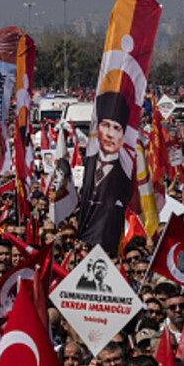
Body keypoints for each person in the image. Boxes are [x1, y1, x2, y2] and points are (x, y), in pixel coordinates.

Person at [78, 90, 133, 252]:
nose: (109, 134)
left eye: (116, 128)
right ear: (97, 129)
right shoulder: (88, 165)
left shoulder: (126, 177)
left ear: (123, 135)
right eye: (105, 125)